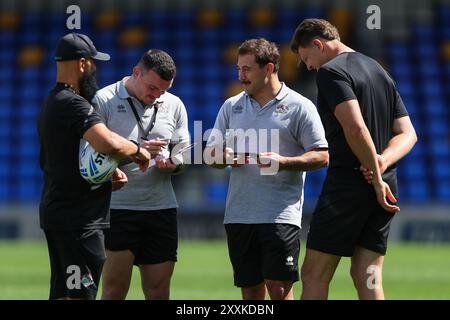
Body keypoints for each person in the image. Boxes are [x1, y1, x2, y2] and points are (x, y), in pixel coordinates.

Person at [290, 18, 418, 299]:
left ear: (318, 44)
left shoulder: (331, 72)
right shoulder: (378, 69)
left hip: (350, 184)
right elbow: (408, 133)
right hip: (386, 182)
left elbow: (355, 127)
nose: (309, 67)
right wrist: (381, 163)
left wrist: (373, 172)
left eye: (307, 59)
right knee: (368, 275)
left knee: (313, 274)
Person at [205, 38, 329, 300]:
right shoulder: (231, 106)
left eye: (247, 69)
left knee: (280, 289)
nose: (241, 76)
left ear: (269, 69)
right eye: (238, 69)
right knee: (250, 291)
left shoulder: (300, 106)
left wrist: (283, 162)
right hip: (238, 215)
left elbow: (321, 156)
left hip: (280, 215)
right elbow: (210, 155)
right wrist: (225, 157)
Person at [38, 33, 151, 300]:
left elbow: (70, 159)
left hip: (62, 211)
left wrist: (105, 175)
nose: (95, 69)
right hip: (78, 219)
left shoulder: (53, 101)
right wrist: (138, 150)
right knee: (80, 294)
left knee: (64, 293)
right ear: (81, 64)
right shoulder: (73, 104)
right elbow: (108, 143)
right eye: (93, 62)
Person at [93, 49, 190, 300]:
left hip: (161, 209)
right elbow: (90, 158)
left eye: (163, 90)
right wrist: (135, 153)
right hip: (117, 209)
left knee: (159, 292)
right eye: (152, 87)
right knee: (114, 291)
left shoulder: (175, 104)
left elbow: (185, 152)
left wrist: (174, 163)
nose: (157, 95)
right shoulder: (104, 100)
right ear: (136, 72)